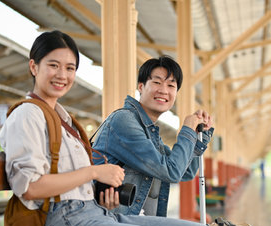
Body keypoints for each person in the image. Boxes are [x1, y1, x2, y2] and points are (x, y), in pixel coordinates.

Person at [0, 30, 227, 226]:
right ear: (33, 66)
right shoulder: (27, 115)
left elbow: (183, 170)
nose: (62, 75)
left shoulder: (66, 121)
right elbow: (30, 187)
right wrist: (95, 172)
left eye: (70, 68)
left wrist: (198, 137)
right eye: (53, 65)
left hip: (98, 215)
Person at [92, 55, 214, 216]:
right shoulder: (124, 121)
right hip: (112, 220)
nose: (164, 90)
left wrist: (199, 134)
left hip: (134, 220)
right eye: (157, 82)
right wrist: (188, 130)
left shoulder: (151, 133)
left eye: (171, 85)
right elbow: (172, 171)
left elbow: (186, 172)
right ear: (141, 87)